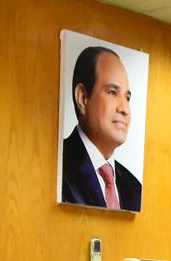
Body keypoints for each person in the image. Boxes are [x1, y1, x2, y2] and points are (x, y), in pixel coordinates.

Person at [60, 45, 142, 211]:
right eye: (112, 92)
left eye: (127, 98)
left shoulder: (134, 188)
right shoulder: (57, 165)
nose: (124, 109)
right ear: (83, 98)